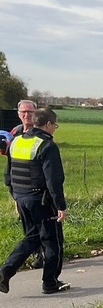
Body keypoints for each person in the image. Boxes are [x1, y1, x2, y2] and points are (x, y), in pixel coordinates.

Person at [0, 108, 69, 295]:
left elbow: (8, 173)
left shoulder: (16, 141)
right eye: (55, 125)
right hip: (41, 200)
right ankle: (50, 283)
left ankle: (5, 272)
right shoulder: (46, 145)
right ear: (47, 124)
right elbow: (53, 179)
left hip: (21, 197)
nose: (55, 128)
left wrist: (15, 196)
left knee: (32, 237)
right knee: (52, 240)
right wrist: (60, 205)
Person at [11, 100, 45, 270]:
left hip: (37, 191)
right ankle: (38, 255)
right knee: (29, 228)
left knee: (42, 228)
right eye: (23, 112)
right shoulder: (15, 133)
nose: (27, 115)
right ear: (18, 114)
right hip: (20, 190)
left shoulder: (40, 134)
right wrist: (13, 193)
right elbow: (10, 165)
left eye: (30, 112)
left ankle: (48, 257)